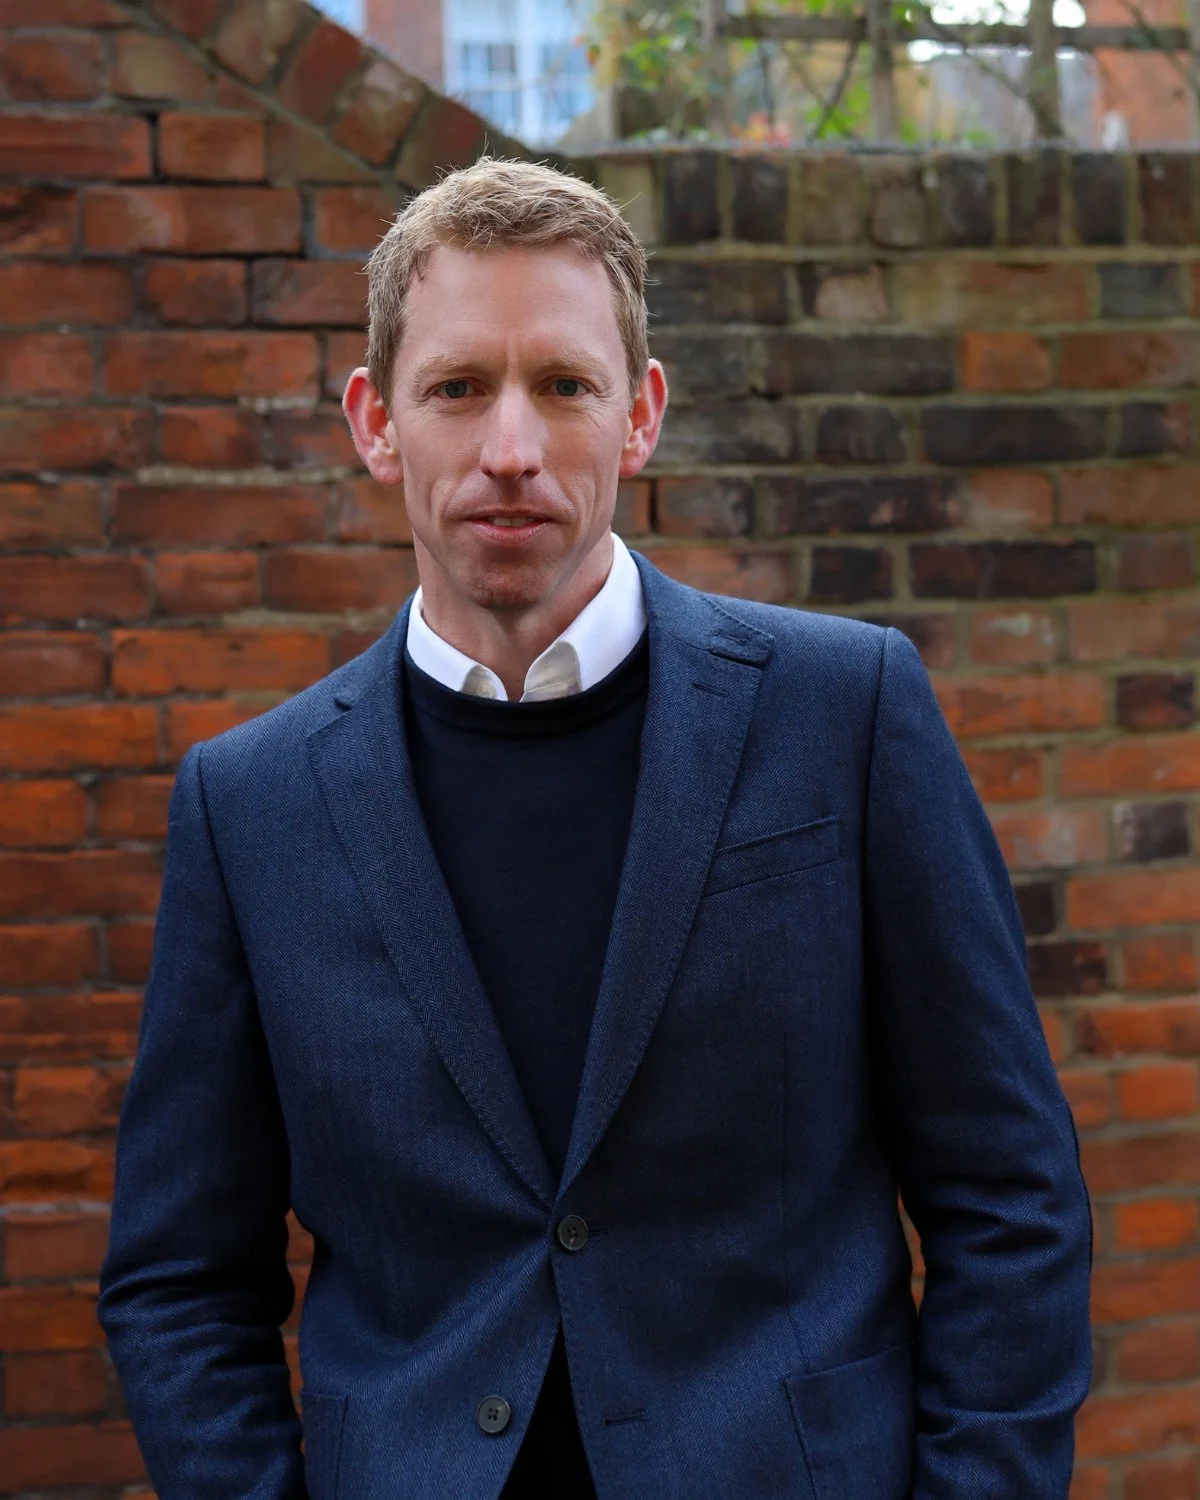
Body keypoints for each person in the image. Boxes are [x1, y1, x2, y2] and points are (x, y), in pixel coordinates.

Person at [98, 157, 1092, 1500]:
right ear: (376, 422)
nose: (511, 448)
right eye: (458, 388)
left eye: (563, 385)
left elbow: (1010, 1193)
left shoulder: (842, 712)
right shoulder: (250, 802)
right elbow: (179, 1280)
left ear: (641, 416)